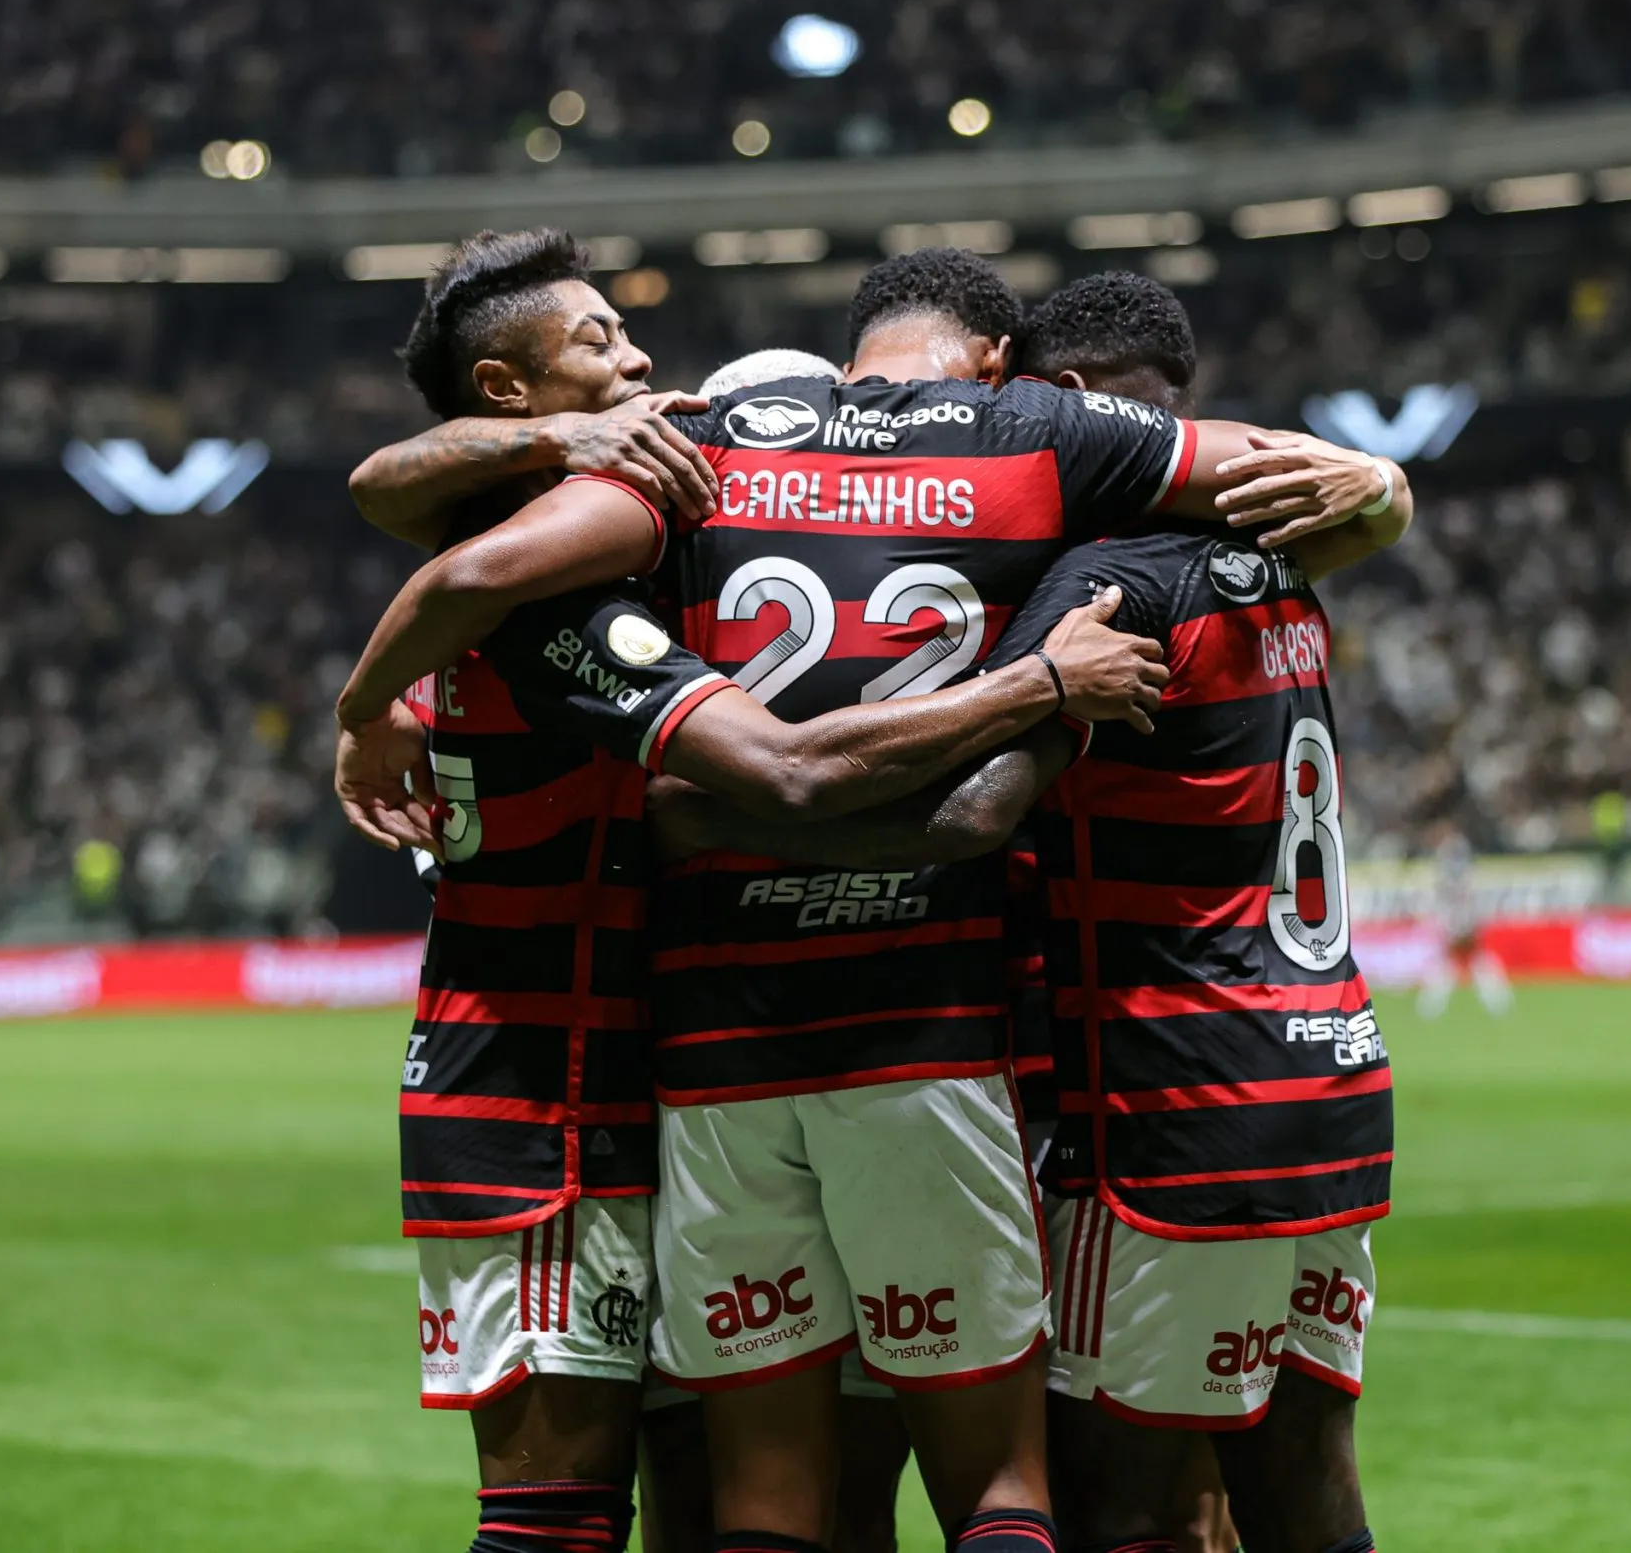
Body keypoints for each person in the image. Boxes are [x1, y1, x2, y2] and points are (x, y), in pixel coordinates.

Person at [339, 246, 1399, 1553]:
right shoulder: (1041, 481)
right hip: (907, 1051)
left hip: (707, 1061)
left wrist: (367, 705)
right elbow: (438, 540)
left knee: (751, 1499)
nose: (638, 366)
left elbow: (426, 537)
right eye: (602, 343)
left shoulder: (679, 493)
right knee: (1062, 1494)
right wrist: (1381, 490)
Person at [641, 270, 1409, 1553]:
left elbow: (976, 813)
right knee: (1291, 1473)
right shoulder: (1276, 558)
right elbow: (1335, 494)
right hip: (1327, 1076)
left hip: (1165, 1099)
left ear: (1049, 400)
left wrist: (731, 806)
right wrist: (1384, 488)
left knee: (1119, 1505)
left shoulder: (1104, 578)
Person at [1416, 829, 1510, 1018]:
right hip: (1456, 934)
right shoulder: (1445, 885)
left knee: (1481, 969)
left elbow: (1474, 914)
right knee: (1446, 972)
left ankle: (1500, 1008)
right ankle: (1428, 1011)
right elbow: (1444, 915)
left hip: (1467, 933)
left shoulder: (1467, 882)